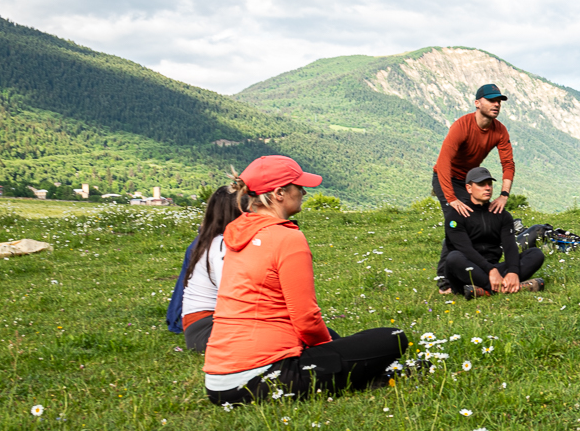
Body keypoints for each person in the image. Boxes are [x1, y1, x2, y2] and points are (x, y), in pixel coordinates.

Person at [203, 155, 408, 405]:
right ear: (279, 193)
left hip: (218, 382)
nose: (304, 192)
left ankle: (367, 373)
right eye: (299, 186)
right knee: (393, 337)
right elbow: (306, 320)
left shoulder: (238, 232)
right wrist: (327, 352)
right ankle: (374, 374)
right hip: (261, 378)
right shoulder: (286, 238)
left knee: (331, 334)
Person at [438, 166, 546, 297]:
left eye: (489, 184)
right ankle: (508, 287)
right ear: (469, 188)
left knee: (535, 254)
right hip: (468, 269)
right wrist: (490, 269)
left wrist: (513, 271)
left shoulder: (501, 215)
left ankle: (484, 290)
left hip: (495, 269)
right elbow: (465, 249)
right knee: (453, 258)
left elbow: (510, 247)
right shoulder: (456, 215)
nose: (487, 188)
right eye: (481, 184)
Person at [433, 83, 515, 219]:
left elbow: (508, 164)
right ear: (477, 103)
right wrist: (451, 198)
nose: (496, 104)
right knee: (459, 219)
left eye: (498, 101)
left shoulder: (501, 131)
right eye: (491, 100)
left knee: (487, 219)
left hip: (470, 181)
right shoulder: (462, 126)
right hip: (446, 177)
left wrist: (504, 195)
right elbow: (443, 161)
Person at [181, 187, 243, 352]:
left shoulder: (210, 241)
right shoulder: (221, 245)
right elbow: (232, 293)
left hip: (202, 325)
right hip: (205, 328)